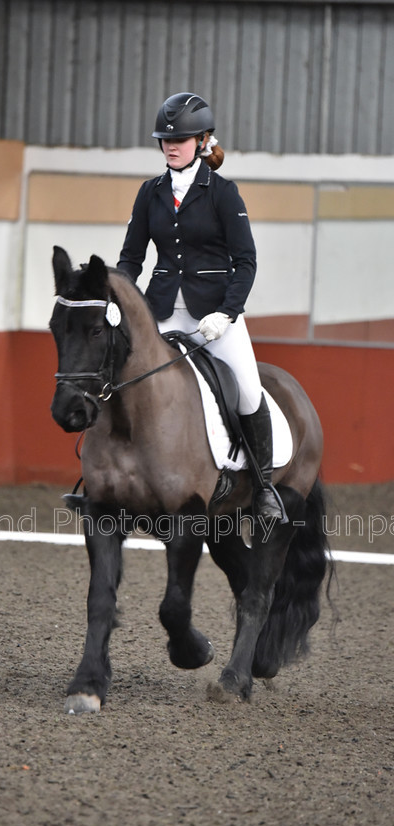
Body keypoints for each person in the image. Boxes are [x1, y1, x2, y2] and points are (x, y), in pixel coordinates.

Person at [117, 91, 283, 521]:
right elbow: (131, 258)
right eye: (166, 140)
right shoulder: (149, 193)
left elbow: (245, 261)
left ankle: (264, 488)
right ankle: (109, 476)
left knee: (247, 390)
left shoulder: (223, 194)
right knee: (119, 377)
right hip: (161, 311)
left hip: (214, 316)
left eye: (182, 139)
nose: (171, 146)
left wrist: (227, 312)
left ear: (203, 140)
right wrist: (116, 297)